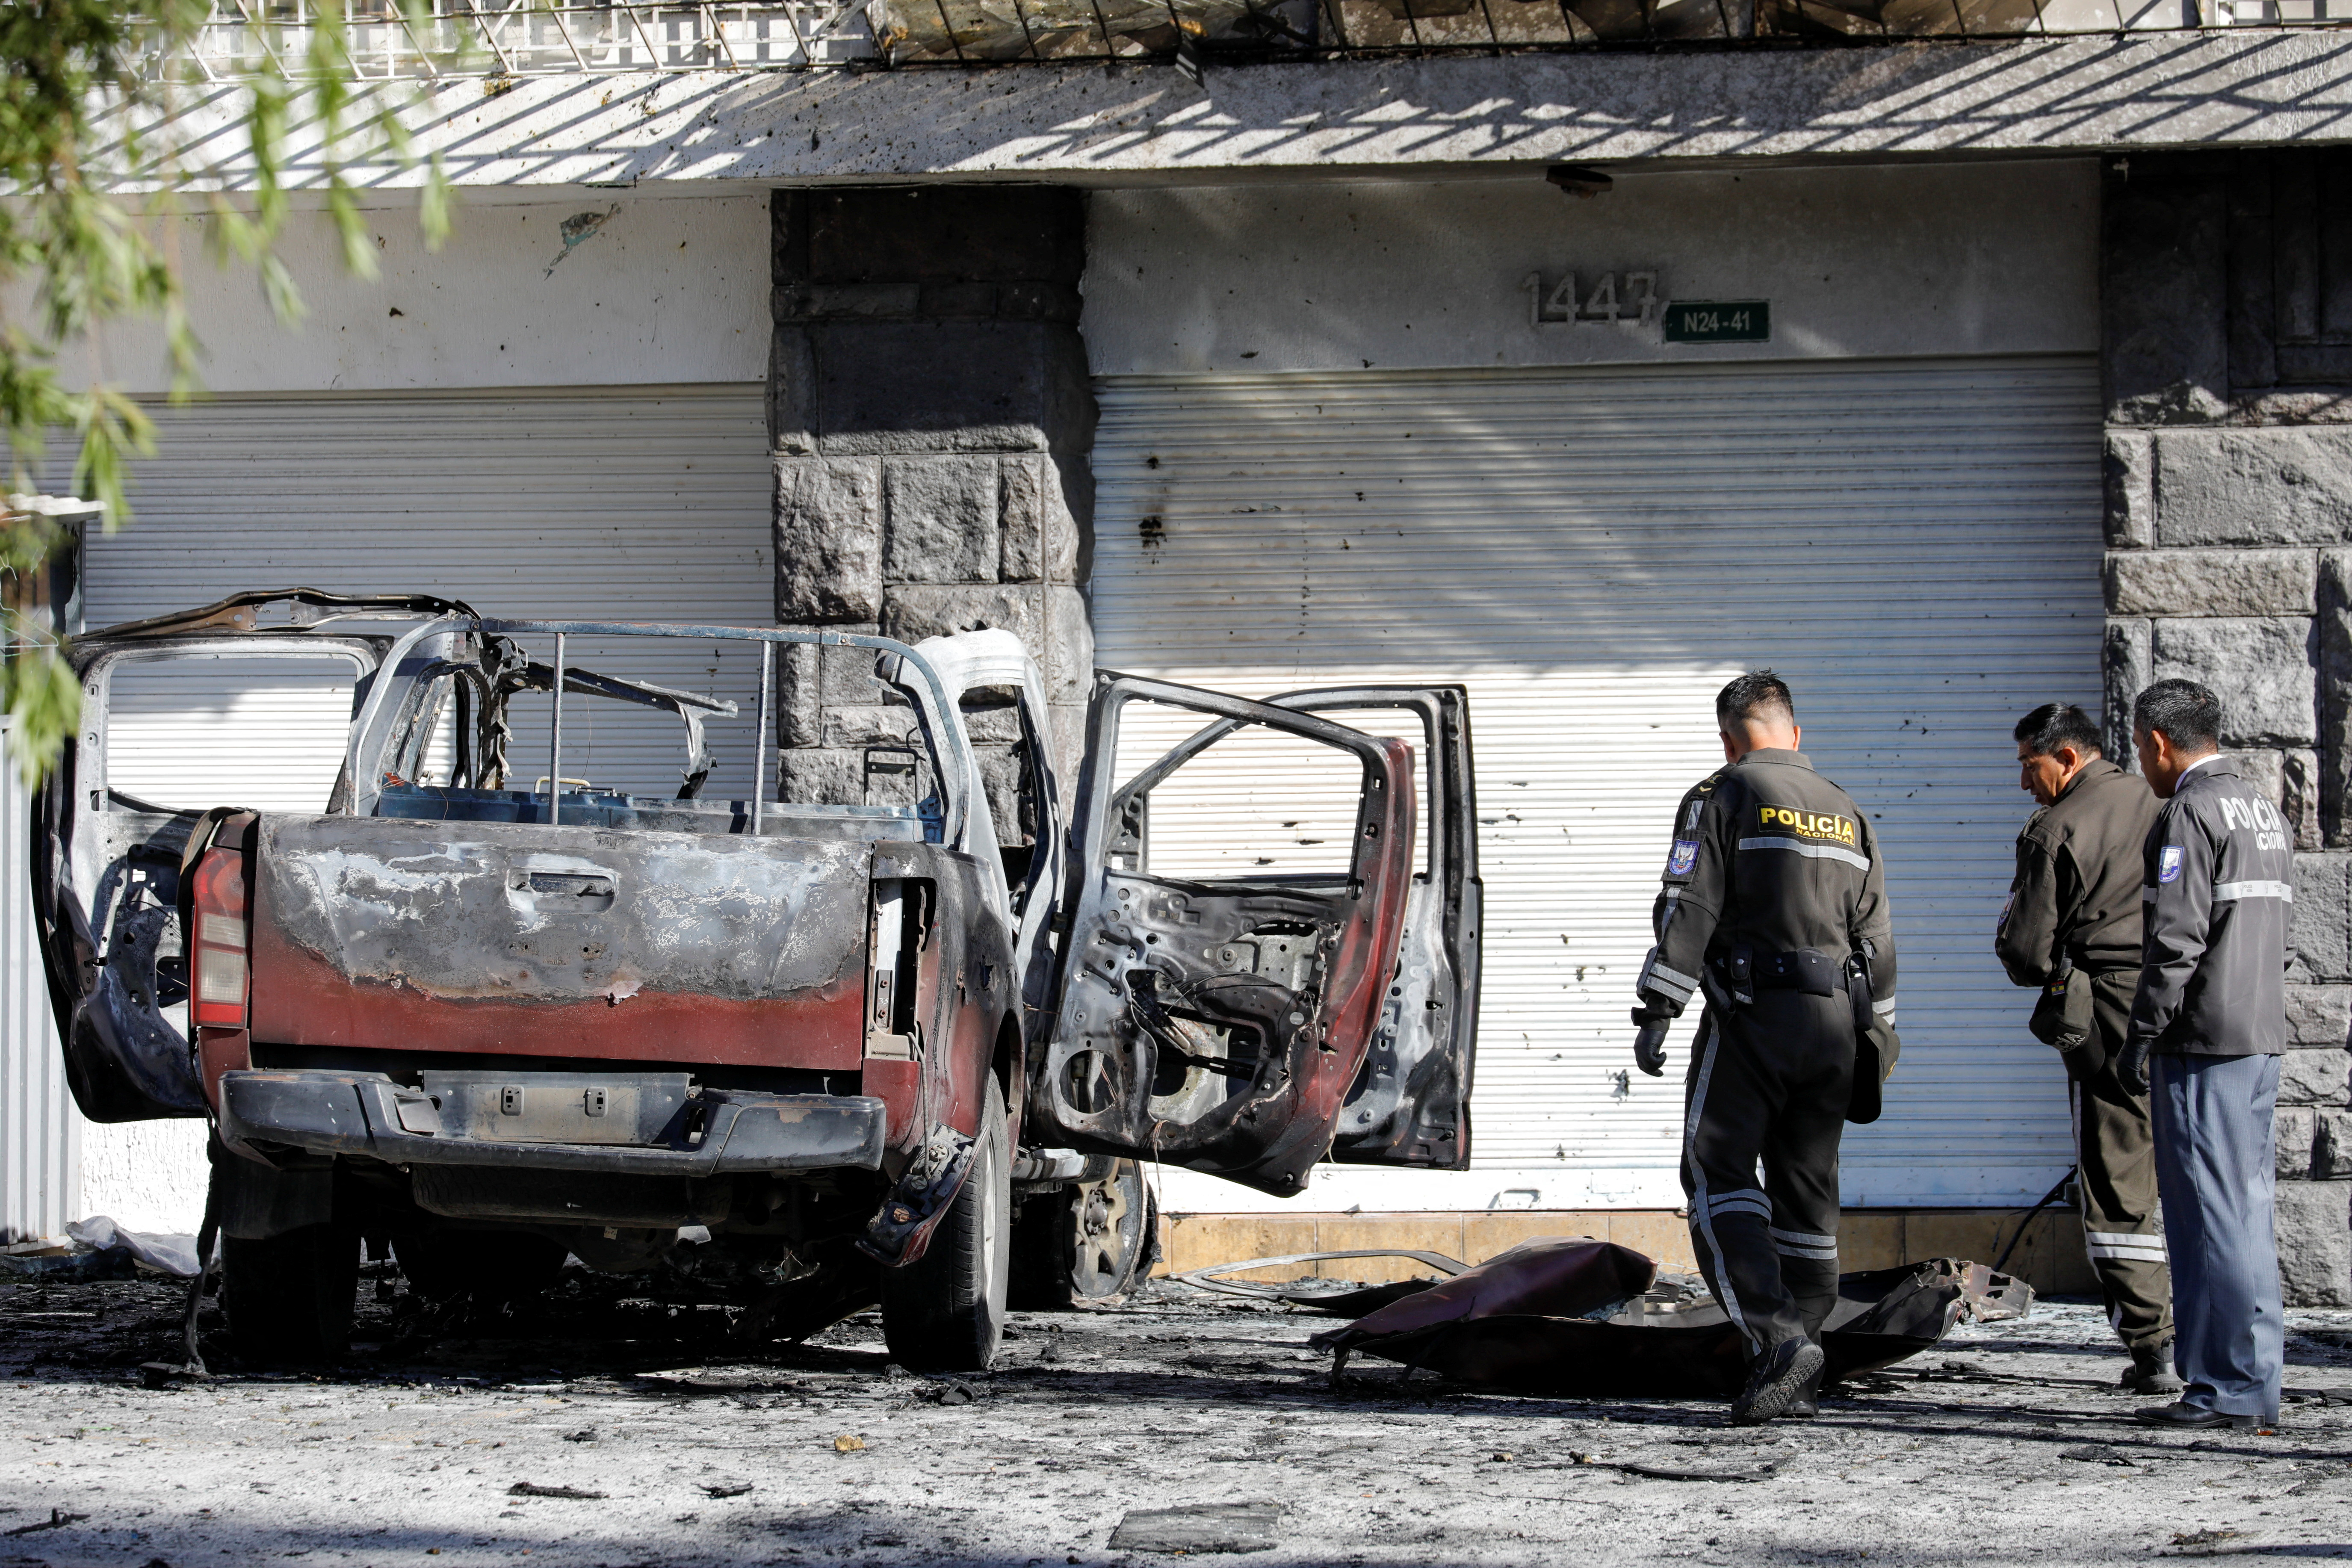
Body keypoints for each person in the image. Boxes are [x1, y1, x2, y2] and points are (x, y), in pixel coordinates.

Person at [1631, 671, 1897, 1425]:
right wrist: (1877, 1034)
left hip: (1752, 1017)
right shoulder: (1849, 813)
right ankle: (1803, 1355)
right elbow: (1877, 938)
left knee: (1715, 1171)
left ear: (1728, 739)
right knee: (1806, 1197)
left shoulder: (1722, 795)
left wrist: (1660, 1005)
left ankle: (1780, 1346)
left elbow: (1692, 901)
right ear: (1794, 734)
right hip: (1837, 1026)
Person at [2119, 679, 2293, 1431]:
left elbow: (2175, 940)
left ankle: (2223, 1387)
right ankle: (2254, 1381)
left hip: (2201, 1041)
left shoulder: (2189, 811)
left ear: (2159, 743)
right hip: (2257, 1034)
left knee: (2208, 1216)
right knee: (2247, 1211)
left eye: (2138, 747)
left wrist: (2142, 1034)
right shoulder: (2261, 806)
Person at [1994, 703, 2176, 1395]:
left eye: (2028, 766)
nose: (2024, 784)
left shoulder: (2057, 828)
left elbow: (2024, 952)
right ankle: (2218, 1336)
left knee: (2116, 1181)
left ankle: (2155, 1349)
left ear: (2066, 758)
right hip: (2183, 1006)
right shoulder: (2161, 801)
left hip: (2106, 1019)